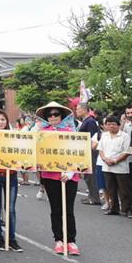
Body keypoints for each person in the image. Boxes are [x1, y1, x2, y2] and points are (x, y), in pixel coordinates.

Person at [35, 101, 81, 255]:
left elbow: (78, 153)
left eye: (56, 114)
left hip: (69, 176)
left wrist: (69, 172)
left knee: (69, 210)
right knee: (56, 209)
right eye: (50, 115)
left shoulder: (71, 131)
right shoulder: (41, 133)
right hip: (50, 176)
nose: (53, 117)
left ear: (62, 116)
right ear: (46, 117)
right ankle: (59, 239)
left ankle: (71, 240)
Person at [0, 110, 23, 252]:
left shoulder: (14, 136)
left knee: (11, 209)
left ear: (7, 121)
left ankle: (12, 239)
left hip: (11, 175)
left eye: (3, 119)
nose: (0, 122)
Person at [97, 116, 132, 218]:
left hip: (121, 167)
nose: (111, 126)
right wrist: (104, 159)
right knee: (110, 189)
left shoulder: (125, 136)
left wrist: (115, 160)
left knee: (124, 190)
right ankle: (113, 208)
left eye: (113, 124)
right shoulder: (104, 136)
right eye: (108, 124)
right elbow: (100, 149)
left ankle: (128, 210)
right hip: (107, 166)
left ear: (118, 125)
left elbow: (127, 152)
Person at [76, 103, 102, 206]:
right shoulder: (85, 121)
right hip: (85, 150)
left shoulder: (90, 121)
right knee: (87, 174)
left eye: (78, 109)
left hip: (90, 151)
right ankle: (91, 195)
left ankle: (94, 197)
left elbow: (93, 138)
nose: (76, 111)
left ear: (84, 110)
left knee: (90, 175)